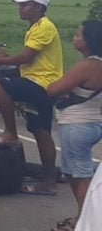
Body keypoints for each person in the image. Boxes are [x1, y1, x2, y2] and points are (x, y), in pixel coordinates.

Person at [0, 0, 63, 196]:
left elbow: (26, 57)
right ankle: (49, 180)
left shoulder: (43, 27)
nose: (20, 8)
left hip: (41, 83)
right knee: (40, 131)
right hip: (39, 81)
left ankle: (10, 133)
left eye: (25, 4)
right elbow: (31, 59)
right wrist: (7, 58)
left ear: (38, 7)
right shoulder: (36, 27)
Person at [45, 20, 102, 230]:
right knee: (71, 172)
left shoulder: (88, 66)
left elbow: (53, 89)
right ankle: (81, 217)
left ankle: (87, 221)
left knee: (82, 176)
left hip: (77, 124)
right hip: (91, 122)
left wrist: (62, 87)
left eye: (79, 34)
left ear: (89, 41)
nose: (75, 37)